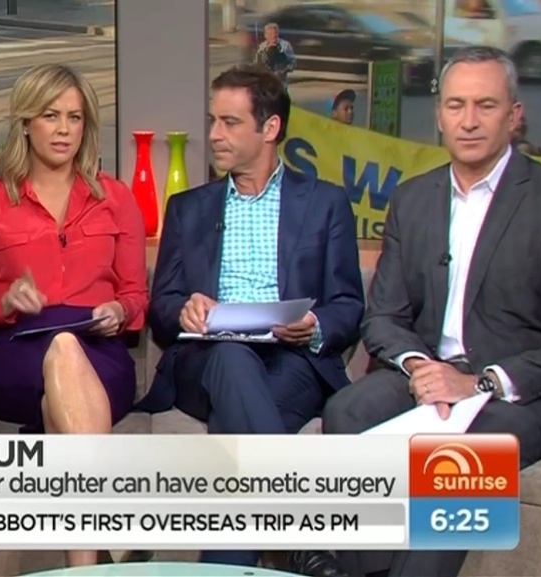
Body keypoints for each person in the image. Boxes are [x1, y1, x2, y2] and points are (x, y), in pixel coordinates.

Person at [289, 46, 541, 577]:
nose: (469, 121)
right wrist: (422, 369)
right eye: (456, 105)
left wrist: (478, 383)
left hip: (530, 389)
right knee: (348, 409)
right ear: (439, 115)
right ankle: (355, 566)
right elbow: (384, 317)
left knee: (462, 455)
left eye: (486, 105)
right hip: (434, 371)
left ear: (513, 116)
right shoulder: (414, 198)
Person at [140, 64, 365, 571]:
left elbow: (348, 304)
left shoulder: (326, 203)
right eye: (212, 121)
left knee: (239, 439)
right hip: (206, 360)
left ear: (270, 128)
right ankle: (298, 531)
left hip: (292, 362)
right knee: (231, 357)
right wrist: (185, 309)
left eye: (230, 122)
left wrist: (315, 327)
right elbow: (162, 304)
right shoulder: (188, 208)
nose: (214, 135)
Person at [0, 63, 148, 568]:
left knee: (68, 349)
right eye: (51, 116)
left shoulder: (115, 198)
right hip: (13, 353)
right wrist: (3, 304)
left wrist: (119, 310)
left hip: (99, 353)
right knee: (60, 347)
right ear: (25, 124)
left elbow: (136, 297)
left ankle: (84, 564)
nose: (64, 130)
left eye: (74, 118)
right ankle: (97, 552)